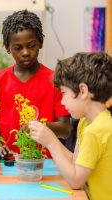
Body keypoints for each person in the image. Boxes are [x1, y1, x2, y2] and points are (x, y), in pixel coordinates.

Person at [0, 10, 71, 158]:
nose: (25, 52)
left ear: (40, 43)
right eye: (18, 48)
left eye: (31, 45)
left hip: (46, 162)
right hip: (7, 161)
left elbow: (65, 130)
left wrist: (38, 126)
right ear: (8, 48)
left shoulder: (55, 80)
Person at [29, 52, 112, 200]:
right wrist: (50, 138)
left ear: (83, 91)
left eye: (64, 93)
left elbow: (76, 181)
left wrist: (51, 142)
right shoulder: (86, 122)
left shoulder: (96, 130)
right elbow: (75, 161)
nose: (62, 102)